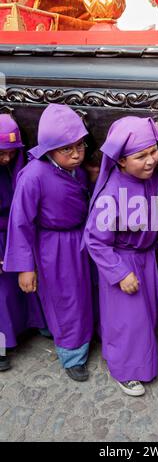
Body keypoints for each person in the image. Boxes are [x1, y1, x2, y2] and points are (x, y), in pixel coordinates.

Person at [84, 116, 158, 397]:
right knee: (127, 320)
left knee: (143, 315)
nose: (150, 160)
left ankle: (131, 355)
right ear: (121, 161)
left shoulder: (155, 178)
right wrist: (119, 273)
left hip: (146, 258)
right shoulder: (110, 194)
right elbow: (96, 241)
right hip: (123, 261)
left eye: (153, 151)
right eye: (140, 156)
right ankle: (124, 370)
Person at [3, 104, 94, 382]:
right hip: (53, 245)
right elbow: (19, 223)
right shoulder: (33, 176)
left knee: (83, 292)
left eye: (80, 145)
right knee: (66, 298)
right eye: (67, 149)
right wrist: (24, 267)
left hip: (79, 238)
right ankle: (72, 354)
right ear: (49, 149)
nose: (77, 154)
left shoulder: (77, 170)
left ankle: (82, 334)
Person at [0, 114, 46, 371]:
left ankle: (29, 326)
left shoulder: (20, 166)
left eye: (11, 152)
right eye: (1, 153)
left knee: (25, 286)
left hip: (16, 232)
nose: (7, 159)